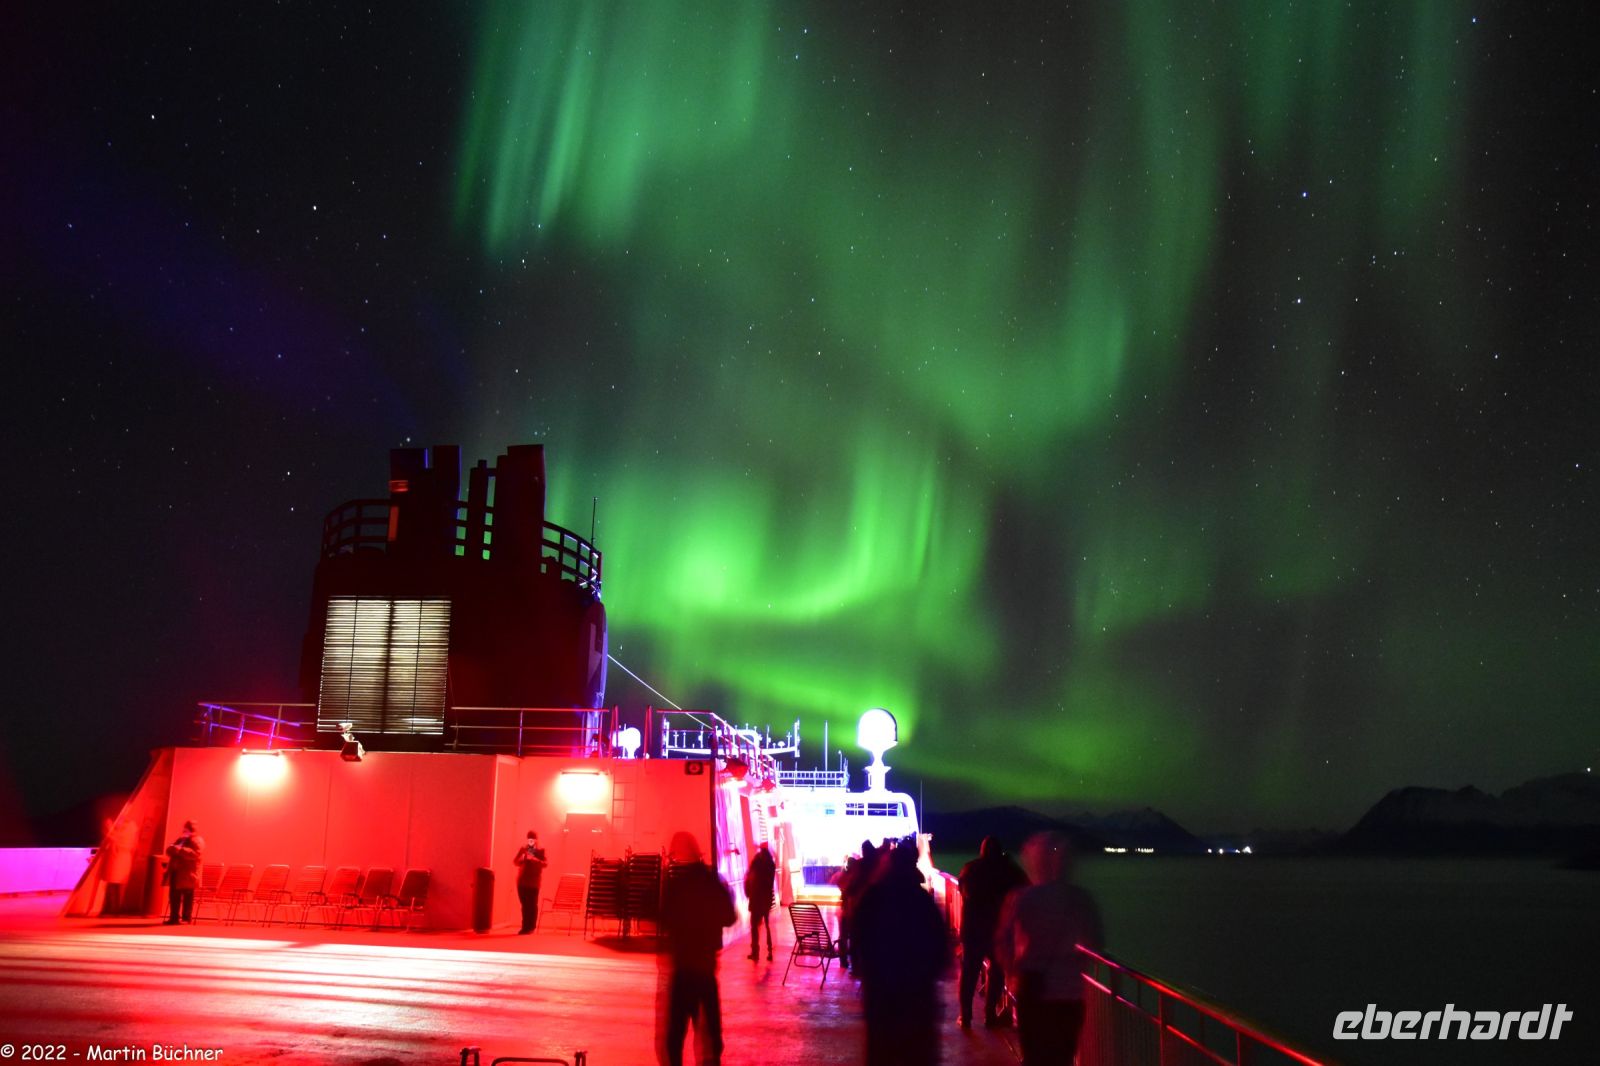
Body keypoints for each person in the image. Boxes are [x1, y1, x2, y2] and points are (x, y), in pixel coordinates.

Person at [995, 831, 1104, 1064]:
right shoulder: (1080, 899)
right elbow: (1095, 942)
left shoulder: (1022, 898)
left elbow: (1003, 941)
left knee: (1034, 1053)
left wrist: (1012, 970)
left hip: (1031, 986)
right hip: (1069, 991)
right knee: (1063, 1055)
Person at [853, 837, 951, 1066]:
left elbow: (859, 940)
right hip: (917, 1000)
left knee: (882, 1052)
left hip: (881, 997)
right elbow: (939, 950)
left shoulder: (872, 897)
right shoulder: (923, 902)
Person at [658, 831, 736, 1066]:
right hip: (705, 968)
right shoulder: (713, 882)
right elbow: (729, 917)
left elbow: (664, 919)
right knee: (710, 1030)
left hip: (683, 968)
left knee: (675, 1033)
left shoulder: (676, 886)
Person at [956, 835, 1028, 1029]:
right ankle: (990, 1014)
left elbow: (962, 889)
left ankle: (966, 1016)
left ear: (982, 850)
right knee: (997, 972)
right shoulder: (1009, 871)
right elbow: (1026, 888)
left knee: (969, 972)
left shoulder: (970, 869)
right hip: (998, 931)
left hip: (972, 930)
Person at [164, 820, 204, 924]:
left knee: (187, 897)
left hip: (188, 874)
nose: (184, 831)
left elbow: (196, 854)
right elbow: (169, 850)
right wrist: (173, 849)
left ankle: (186, 918)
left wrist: (180, 850)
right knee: (174, 896)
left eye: (187, 829)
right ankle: (174, 918)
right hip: (176, 873)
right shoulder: (181, 840)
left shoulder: (197, 841)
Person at [743, 842, 777, 962]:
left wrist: (748, 892)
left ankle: (755, 952)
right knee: (767, 926)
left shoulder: (757, 862)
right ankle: (769, 952)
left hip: (756, 899)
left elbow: (749, 876)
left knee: (754, 927)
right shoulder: (771, 864)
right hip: (767, 899)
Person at [513, 829, 548, 934]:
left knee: (532, 905)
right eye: (529, 839)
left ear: (536, 839)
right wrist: (522, 858)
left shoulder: (540, 851)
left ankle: (531, 927)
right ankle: (525, 927)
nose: (531, 841)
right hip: (522, 881)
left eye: (533, 839)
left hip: (534, 882)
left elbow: (545, 864)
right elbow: (515, 862)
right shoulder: (523, 849)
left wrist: (534, 859)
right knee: (524, 905)